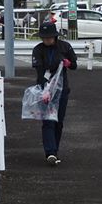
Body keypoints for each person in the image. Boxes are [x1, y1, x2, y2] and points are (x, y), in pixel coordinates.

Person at [32, 21, 78, 166]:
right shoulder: (38, 50)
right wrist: (44, 90)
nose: (47, 40)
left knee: (58, 121)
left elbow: (74, 65)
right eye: (44, 38)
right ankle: (50, 152)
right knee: (48, 121)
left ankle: (55, 151)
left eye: (49, 37)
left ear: (55, 36)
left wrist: (68, 63)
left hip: (62, 90)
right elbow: (39, 72)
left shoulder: (65, 47)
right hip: (45, 90)